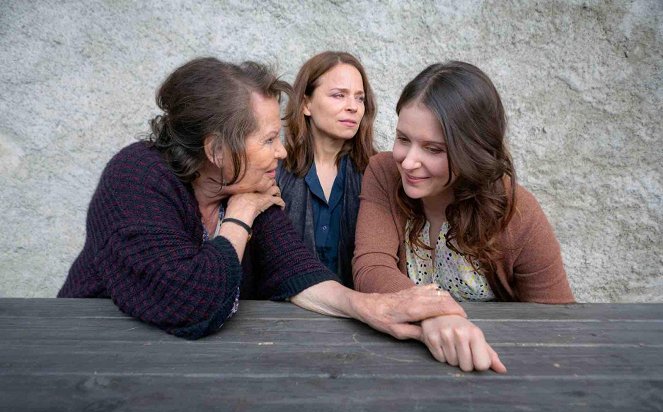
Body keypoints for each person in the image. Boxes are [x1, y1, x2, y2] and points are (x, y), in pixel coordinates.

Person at [58, 57, 465, 347]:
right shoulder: (137, 177)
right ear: (218, 150)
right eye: (269, 140)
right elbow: (193, 304)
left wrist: (370, 307)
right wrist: (240, 216)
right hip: (89, 351)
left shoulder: (246, 183)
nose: (282, 153)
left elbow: (297, 271)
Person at [354, 61, 575, 372]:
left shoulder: (516, 210)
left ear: (471, 150)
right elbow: (371, 266)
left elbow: (557, 318)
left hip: (491, 364)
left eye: (433, 149)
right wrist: (435, 312)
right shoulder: (383, 172)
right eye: (403, 139)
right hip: (400, 363)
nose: (408, 162)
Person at [277, 52, 376, 287]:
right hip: (283, 314)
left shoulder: (374, 173)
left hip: (359, 312)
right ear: (305, 104)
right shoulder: (276, 171)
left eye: (360, 98)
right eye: (338, 95)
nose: (353, 107)